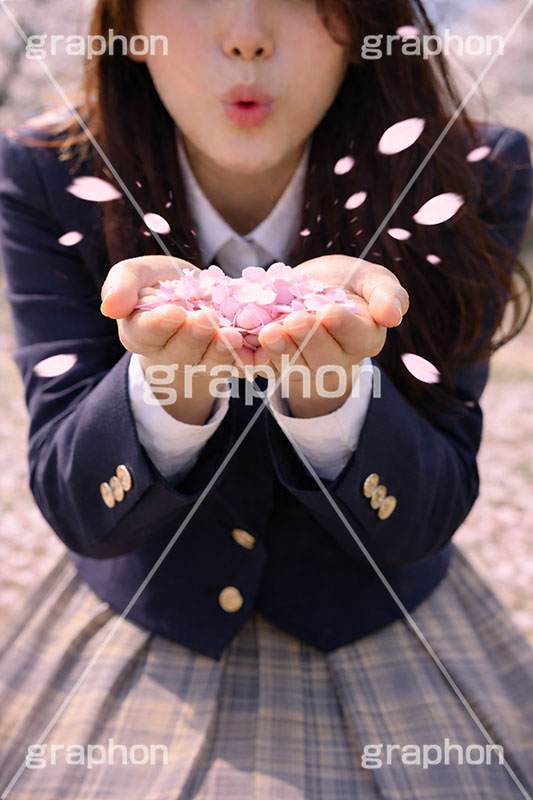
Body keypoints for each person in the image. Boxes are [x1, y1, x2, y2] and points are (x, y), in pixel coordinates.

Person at [0, 0, 532, 797]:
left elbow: (430, 502)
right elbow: (78, 505)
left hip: (380, 618)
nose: (245, 34)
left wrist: (331, 398)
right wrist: (164, 391)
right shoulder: (50, 171)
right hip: (146, 613)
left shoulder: (468, 172)